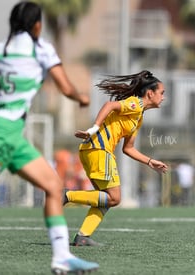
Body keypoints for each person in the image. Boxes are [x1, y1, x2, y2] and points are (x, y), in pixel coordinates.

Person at [0, 2, 99, 274]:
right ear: (37, 25)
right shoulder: (41, 50)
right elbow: (66, 87)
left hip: (8, 133)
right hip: (2, 135)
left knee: (54, 187)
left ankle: (62, 258)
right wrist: (81, 97)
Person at [63, 70, 168, 246]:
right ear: (150, 93)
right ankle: (66, 196)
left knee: (105, 199)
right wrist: (94, 128)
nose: (163, 97)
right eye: (162, 93)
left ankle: (83, 236)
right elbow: (109, 105)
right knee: (114, 198)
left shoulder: (138, 117)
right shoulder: (135, 104)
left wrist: (150, 162)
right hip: (100, 150)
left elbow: (128, 148)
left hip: (93, 150)